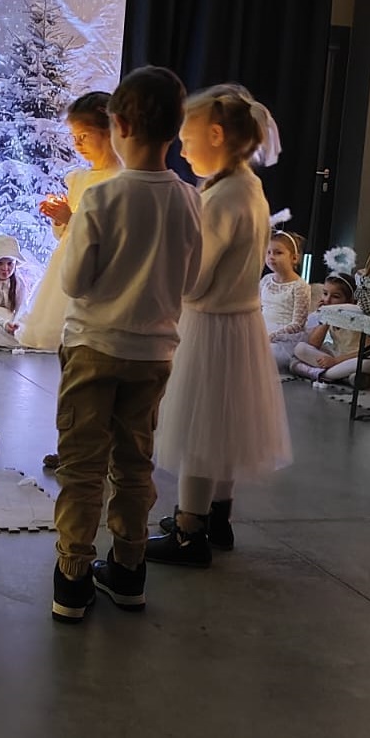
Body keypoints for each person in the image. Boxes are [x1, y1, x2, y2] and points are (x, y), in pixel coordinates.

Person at [50, 66, 202, 624]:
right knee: (135, 464)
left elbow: (73, 282)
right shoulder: (189, 200)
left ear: (119, 125)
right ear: (175, 129)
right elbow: (190, 280)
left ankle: (72, 579)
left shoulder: (102, 197)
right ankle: (130, 570)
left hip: (93, 346)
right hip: (153, 354)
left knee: (82, 465)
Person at [146, 84, 292, 569]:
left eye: (187, 138)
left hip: (211, 327)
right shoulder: (250, 187)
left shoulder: (219, 199)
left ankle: (189, 531)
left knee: (199, 431)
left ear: (215, 135)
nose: (182, 147)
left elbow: (196, 278)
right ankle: (217, 516)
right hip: (242, 323)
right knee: (223, 424)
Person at [18, 92, 122, 350]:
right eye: (74, 137)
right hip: (66, 263)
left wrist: (71, 218)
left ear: (109, 131)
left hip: (97, 270)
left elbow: (110, 233)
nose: (77, 144)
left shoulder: (119, 180)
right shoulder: (78, 178)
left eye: (84, 136)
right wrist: (59, 219)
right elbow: (63, 235)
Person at [289, 271, 370, 386]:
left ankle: (321, 374)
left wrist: (335, 361)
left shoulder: (358, 318)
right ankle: (345, 376)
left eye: (335, 296)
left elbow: (367, 351)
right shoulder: (330, 314)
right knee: (300, 348)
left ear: (350, 301)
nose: (327, 300)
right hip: (338, 356)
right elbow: (313, 344)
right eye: (325, 294)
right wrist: (324, 318)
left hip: (357, 357)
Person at [261, 229, 312, 370]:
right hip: (262, 328)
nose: (271, 257)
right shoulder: (266, 280)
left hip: (284, 339)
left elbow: (298, 324)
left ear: (294, 258)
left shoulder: (300, 286)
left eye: (278, 253)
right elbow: (257, 308)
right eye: (268, 252)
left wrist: (272, 336)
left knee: (262, 354)